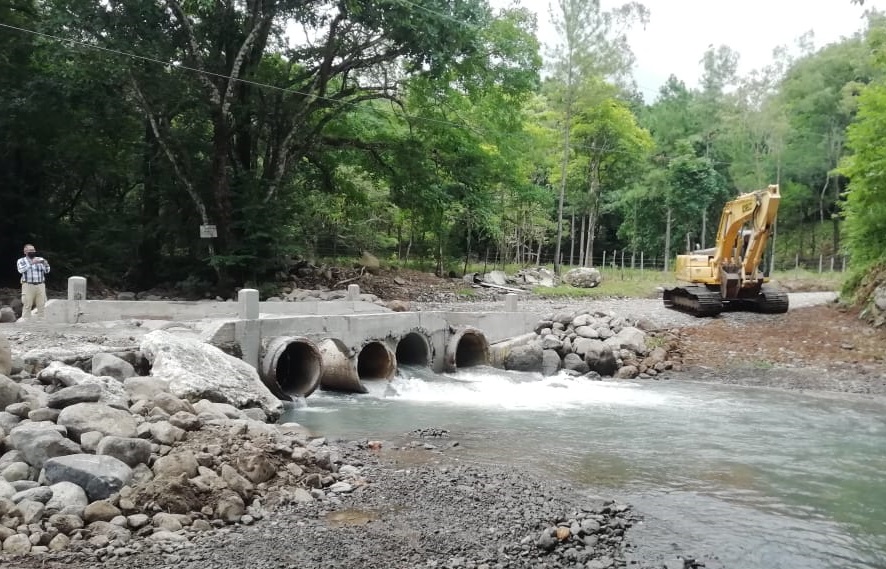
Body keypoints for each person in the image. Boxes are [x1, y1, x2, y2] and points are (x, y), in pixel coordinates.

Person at [16, 243, 50, 320]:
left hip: (40, 285)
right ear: (25, 252)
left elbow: (47, 271)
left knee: (42, 305)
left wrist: (46, 264)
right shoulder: (21, 261)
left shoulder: (40, 259)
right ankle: (25, 323)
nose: (33, 251)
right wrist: (31, 263)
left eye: (33, 250)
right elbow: (21, 270)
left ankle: (41, 323)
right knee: (27, 304)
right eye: (30, 250)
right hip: (28, 285)